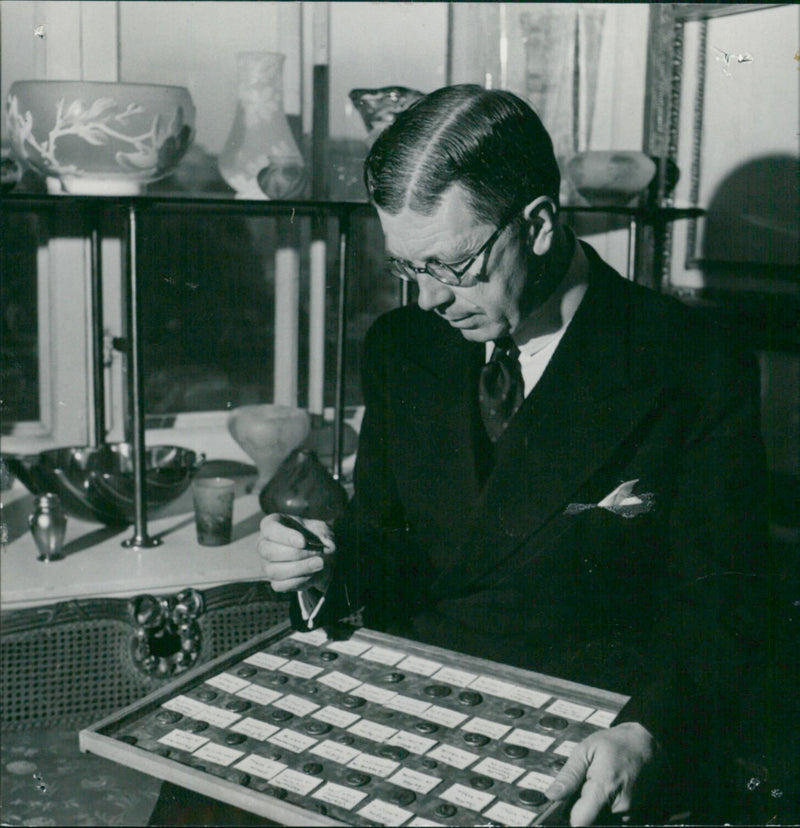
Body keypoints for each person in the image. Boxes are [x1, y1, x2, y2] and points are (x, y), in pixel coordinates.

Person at [150, 85, 784, 826]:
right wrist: (325, 563)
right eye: (407, 269)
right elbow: (390, 546)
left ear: (540, 225)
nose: (429, 301)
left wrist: (649, 729)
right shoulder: (403, 348)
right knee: (204, 800)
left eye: (451, 266)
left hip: (588, 729)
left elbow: (725, 598)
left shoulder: (690, 358)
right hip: (420, 691)